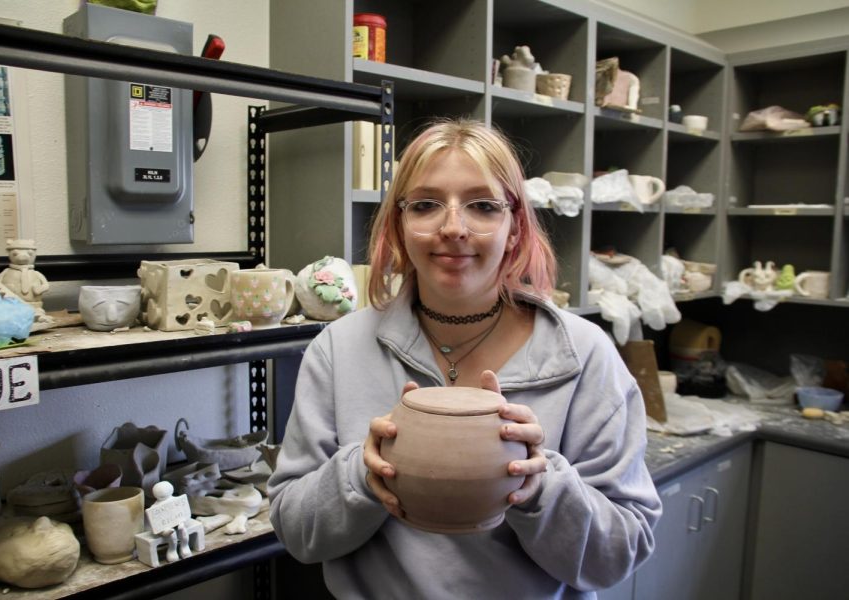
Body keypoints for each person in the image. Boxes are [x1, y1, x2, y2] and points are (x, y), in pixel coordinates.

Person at [268, 119, 661, 598]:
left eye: (482, 206)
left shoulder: (585, 355)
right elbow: (296, 530)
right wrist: (362, 474)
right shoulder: (339, 347)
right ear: (399, 224)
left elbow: (618, 553)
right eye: (426, 205)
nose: (453, 228)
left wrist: (539, 486)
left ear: (514, 227)